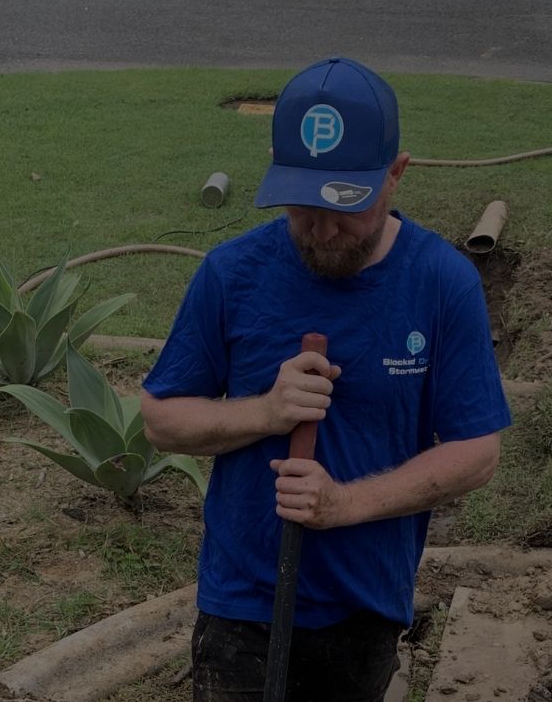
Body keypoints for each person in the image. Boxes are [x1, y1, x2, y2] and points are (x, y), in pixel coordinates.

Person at [140, 57, 512, 702]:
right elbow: (160, 419)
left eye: (347, 207)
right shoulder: (233, 274)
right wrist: (265, 412)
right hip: (243, 603)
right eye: (305, 205)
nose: (324, 229)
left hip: (364, 603)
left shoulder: (441, 282)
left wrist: (345, 504)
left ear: (396, 175)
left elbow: (476, 453)